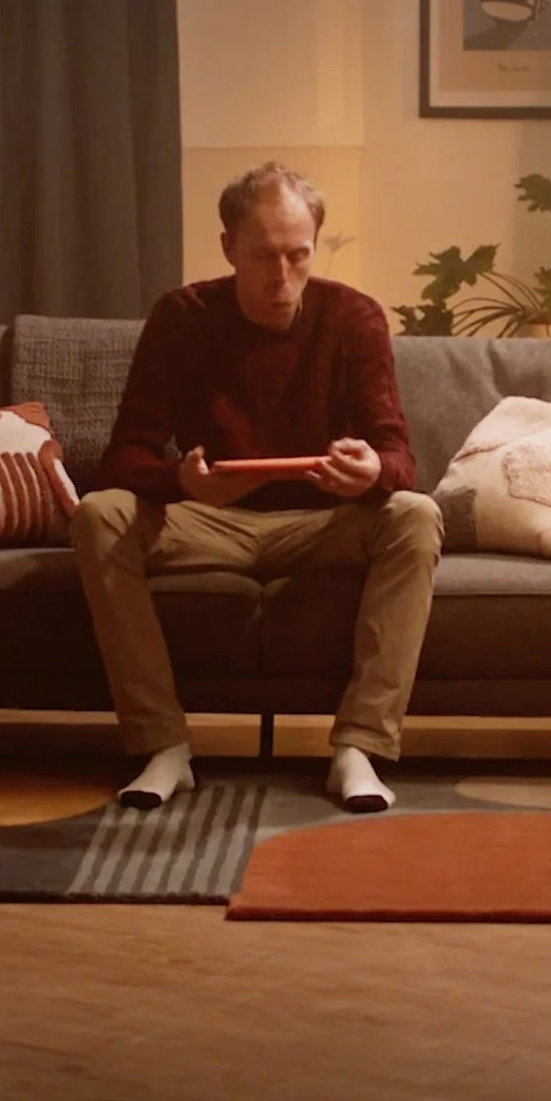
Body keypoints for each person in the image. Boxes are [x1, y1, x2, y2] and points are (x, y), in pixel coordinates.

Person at [72, 162, 443, 813]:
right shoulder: (182, 316)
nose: (282, 278)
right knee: (99, 515)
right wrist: (180, 480)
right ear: (227, 250)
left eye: (298, 256)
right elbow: (123, 459)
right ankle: (164, 746)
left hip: (323, 525)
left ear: (315, 246)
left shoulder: (352, 317)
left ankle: (360, 747)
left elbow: (397, 456)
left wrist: (371, 472)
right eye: (263, 257)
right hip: (209, 519)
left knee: (414, 514)